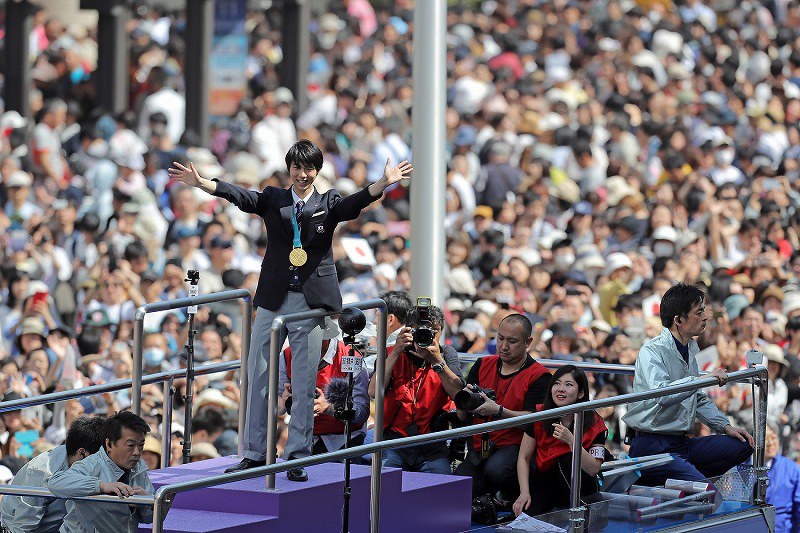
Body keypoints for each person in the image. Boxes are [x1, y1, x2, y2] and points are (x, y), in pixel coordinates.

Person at [168, 140, 413, 480]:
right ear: (289, 169)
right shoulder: (274, 198)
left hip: (310, 301)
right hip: (274, 296)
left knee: (303, 382)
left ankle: (297, 455)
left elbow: (355, 204)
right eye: (297, 167)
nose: (302, 174)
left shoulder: (328, 202)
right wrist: (203, 184)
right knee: (259, 376)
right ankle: (255, 453)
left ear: (317, 170)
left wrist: (383, 183)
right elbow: (241, 197)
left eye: (309, 168)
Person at [623, 283, 754, 486]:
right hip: (652, 445)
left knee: (742, 445)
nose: (705, 317)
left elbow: (697, 398)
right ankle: (684, 481)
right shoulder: (652, 350)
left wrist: (725, 426)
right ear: (679, 320)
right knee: (704, 492)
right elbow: (661, 394)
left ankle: (681, 478)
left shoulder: (689, 348)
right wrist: (701, 380)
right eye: (699, 312)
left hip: (681, 442)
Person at [455, 314, 551, 504]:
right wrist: (463, 401)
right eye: (500, 338)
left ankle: (506, 496)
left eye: (512, 341)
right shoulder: (482, 364)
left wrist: (498, 411)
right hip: (479, 444)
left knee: (496, 470)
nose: (504, 346)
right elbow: (461, 415)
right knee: (459, 485)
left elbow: (535, 420)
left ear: (528, 342)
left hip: (514, 446)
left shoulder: (539, 376)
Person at [370, 303, 464, 474]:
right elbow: (373, 391)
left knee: (441, 488)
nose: (425, 336)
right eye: (419, 330)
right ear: (408, 330)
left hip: (431, 445)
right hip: (394, 443)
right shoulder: (392, 352)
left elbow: (458, 394)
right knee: (383, 485)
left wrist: (437, 361)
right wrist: (397, 350)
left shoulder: (446, 354)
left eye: (433, 331)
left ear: (441, 332)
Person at [513, 365, 607, 517]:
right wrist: (524, 492)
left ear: (581, 392)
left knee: (565, 458)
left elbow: (593, 469)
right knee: (525, 513)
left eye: (568, 385)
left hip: (579, 487)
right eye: (557, 383)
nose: (561, 389)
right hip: (544, 480)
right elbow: (524, 458)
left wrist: (571, 441)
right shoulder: (539, 415)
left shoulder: (595, 422)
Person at [47, 411, 155, 533]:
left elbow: (149, 519)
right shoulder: (91, 464)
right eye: (130, 445)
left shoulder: (139, 466)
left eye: (141, 445)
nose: (137, 452)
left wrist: (145, 503)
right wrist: (101, 486)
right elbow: (55, 483)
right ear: (109, 444)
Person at [279, 317, 370, 454]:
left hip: (344, 440)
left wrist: (329, 408)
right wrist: (284, 402)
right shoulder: (287, 356)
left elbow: (362, 412)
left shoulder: (351, 357)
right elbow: (276, 408)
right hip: (303, 438)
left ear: (325, 336)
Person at [1, 416, 105, 533]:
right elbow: (23, 528)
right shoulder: (42, 473)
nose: (104, 464)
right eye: (100, 458)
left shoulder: (79, 462)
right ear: (82, 453)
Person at [765, 423, 800, 533]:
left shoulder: (792, 468)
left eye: (773, 438)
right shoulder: (745, 469)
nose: (770, 443)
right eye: (765, 439)